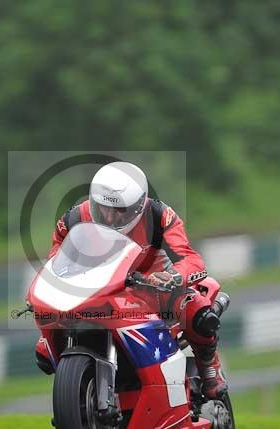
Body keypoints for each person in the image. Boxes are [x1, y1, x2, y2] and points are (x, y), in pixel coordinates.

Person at [34, 161, 227, 399]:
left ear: (139, 206)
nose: (109, 216)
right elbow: (56, 261)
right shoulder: (73, 220)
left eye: (119, 211)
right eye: (102, 207)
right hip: (100, 292)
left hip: (154, 291)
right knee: (45, 349)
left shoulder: (160, 216)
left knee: (197, 312)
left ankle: (210, 371)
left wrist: (174, 277)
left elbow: (189, 258)